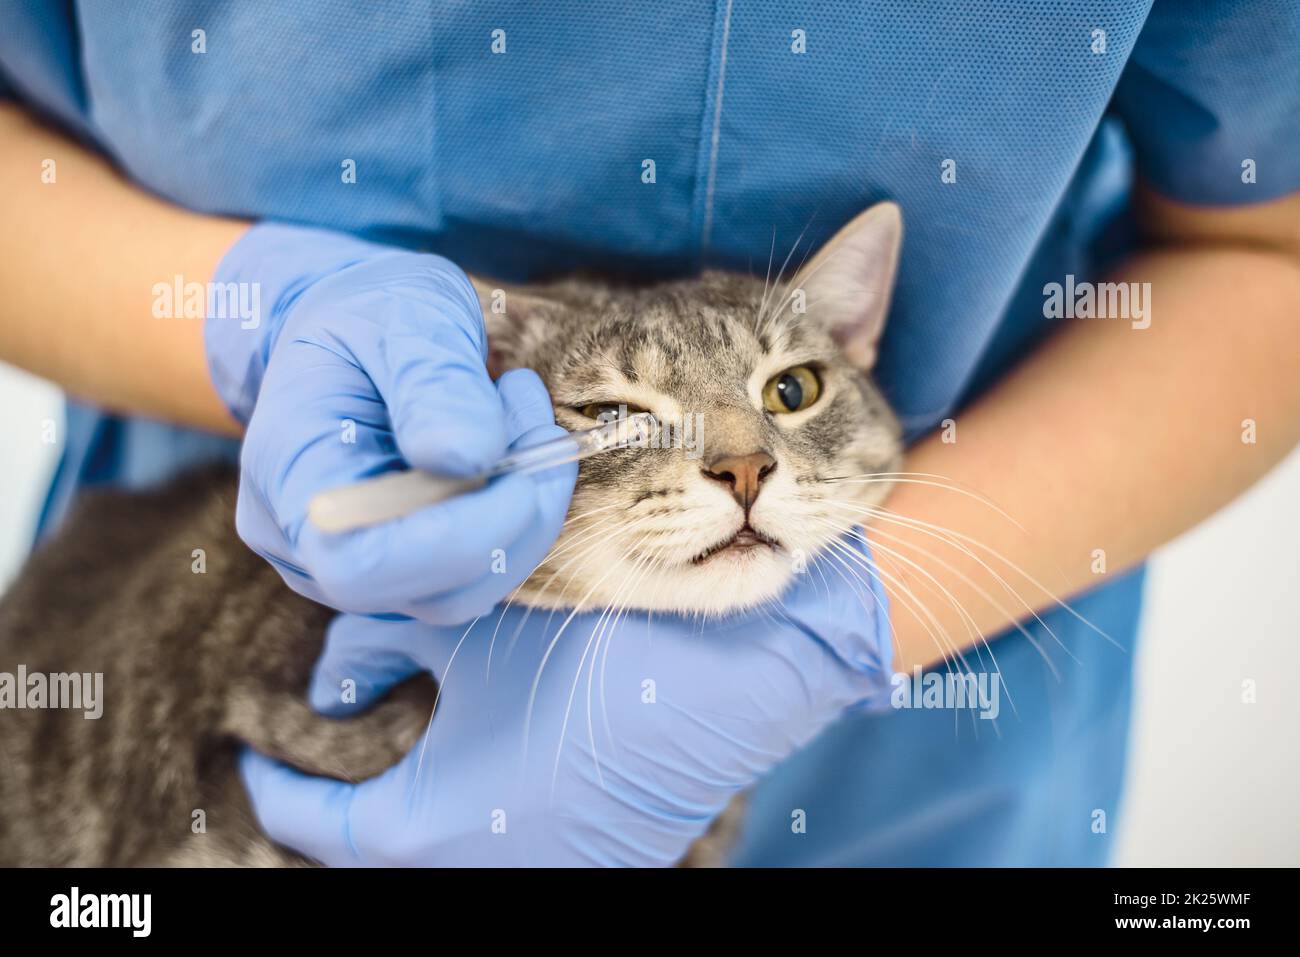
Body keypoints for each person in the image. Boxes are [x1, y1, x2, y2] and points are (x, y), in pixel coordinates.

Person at [1, 1, 1297, 866]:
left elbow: (1271, 246)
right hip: (238, 575)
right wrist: (253, 322)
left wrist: (851, 624)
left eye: (787, 395)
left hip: (945, 739)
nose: (740, 463)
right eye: (627, 415)